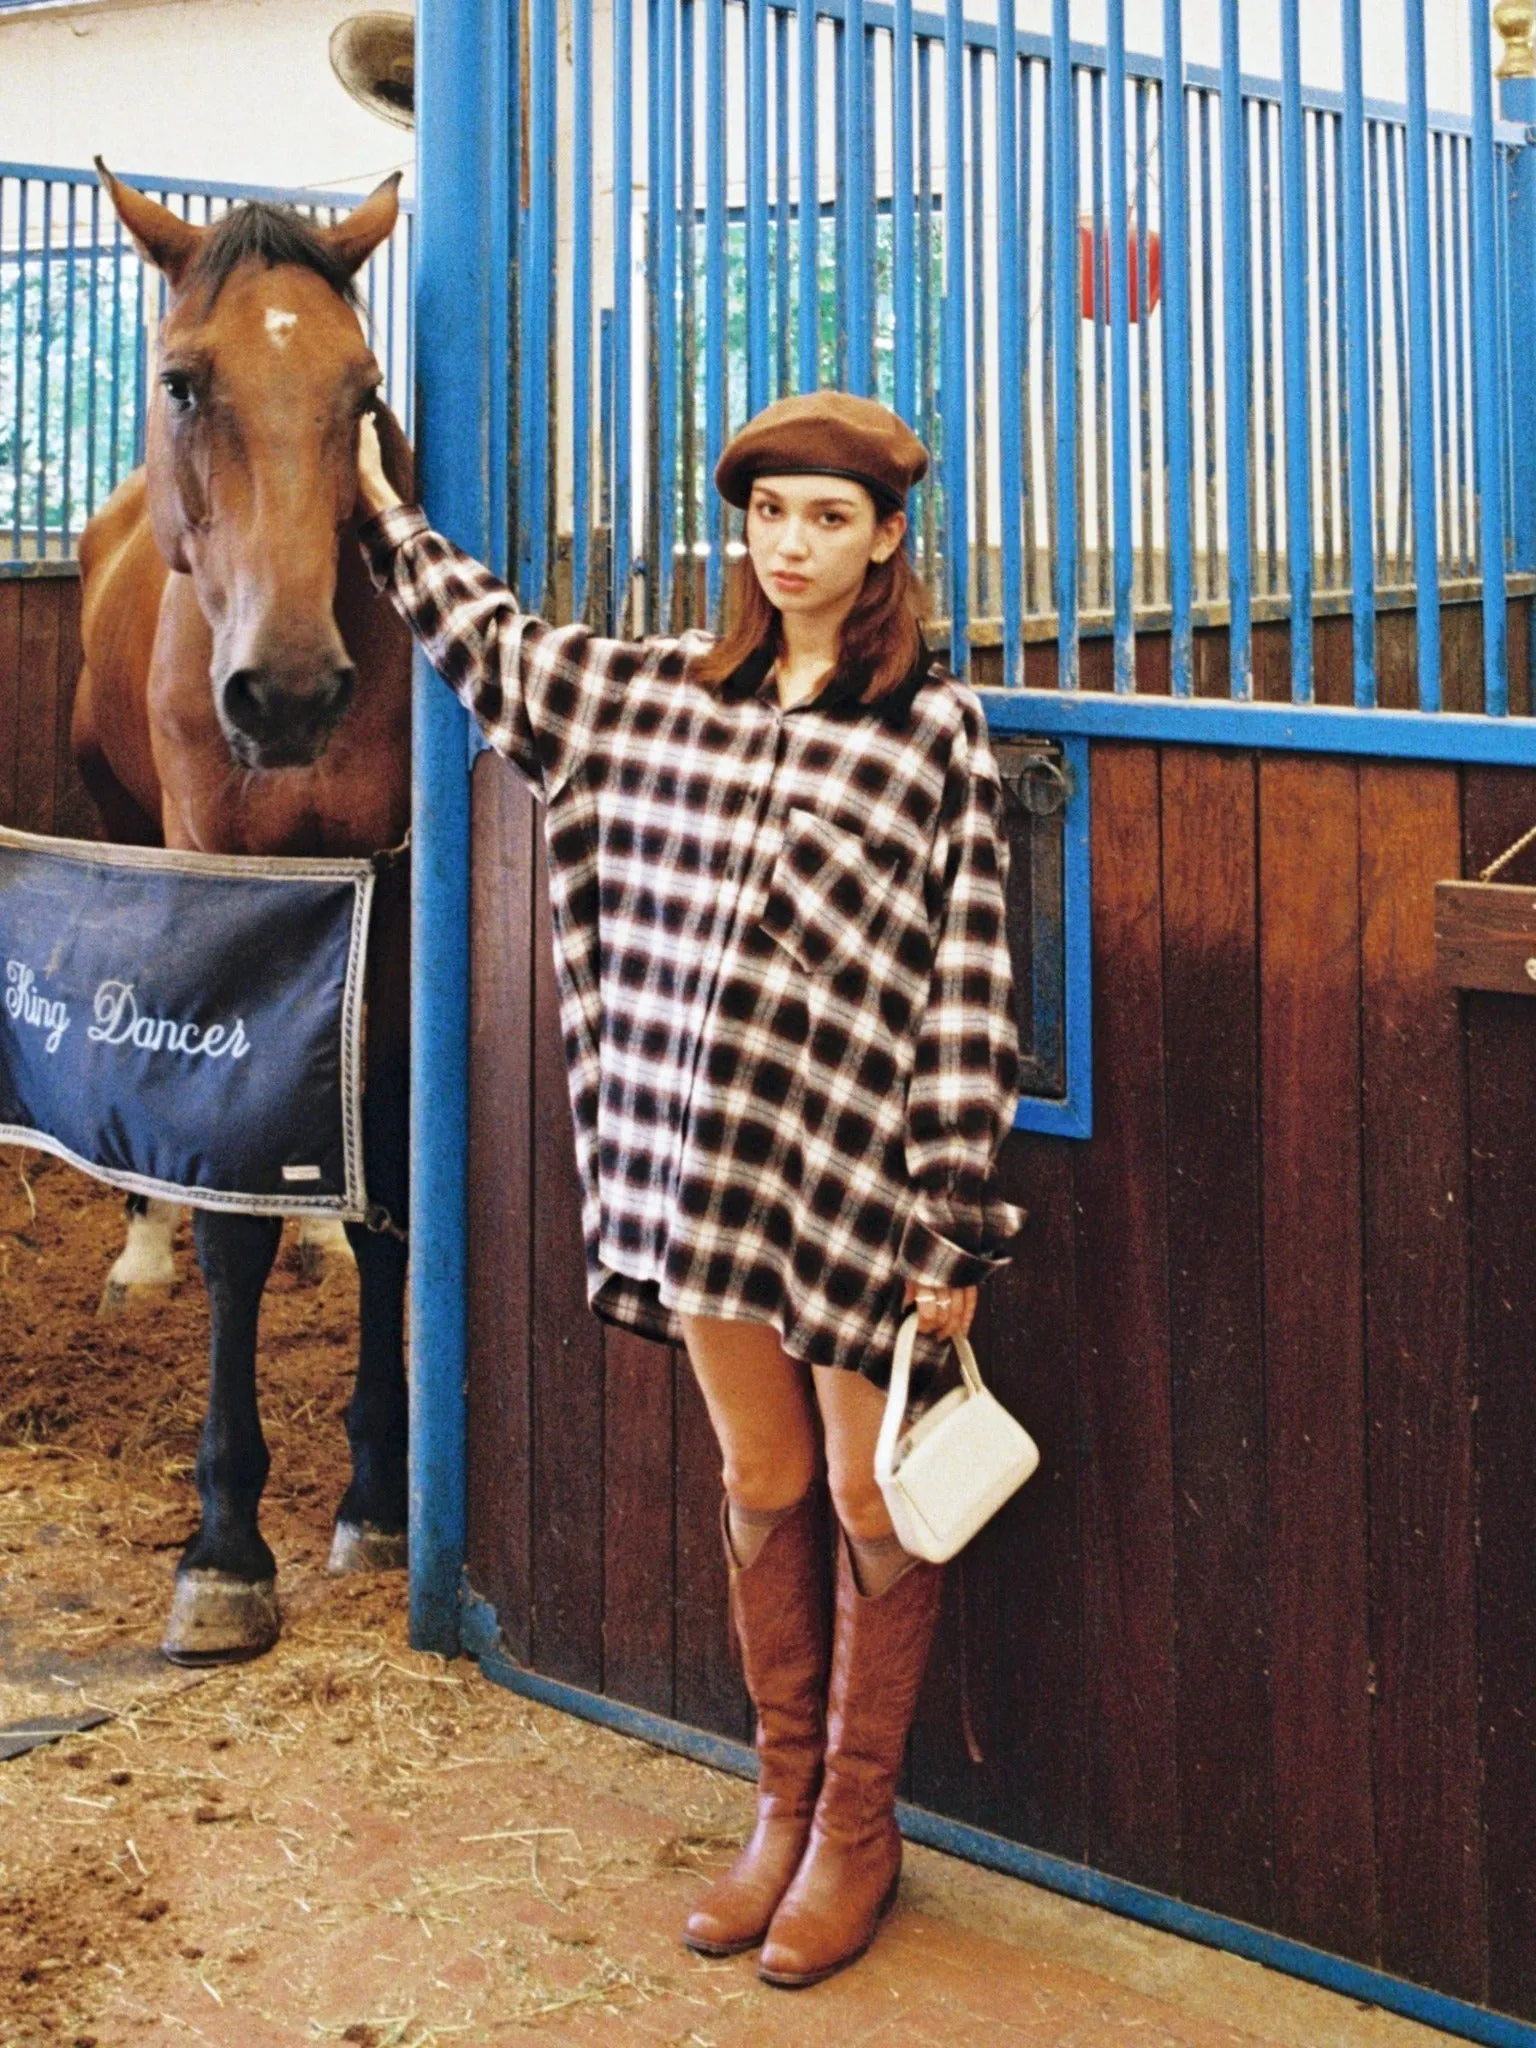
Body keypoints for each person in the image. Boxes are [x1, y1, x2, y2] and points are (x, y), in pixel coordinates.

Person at [354, 389, 1023, 1988]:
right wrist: (381, 517)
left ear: (886, 543)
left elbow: (968, 981)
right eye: (768, 514)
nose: (789, 546)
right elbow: (496, 649)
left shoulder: (934, 729)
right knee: (763, 1478)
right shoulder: (656, 696)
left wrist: (952, 1215)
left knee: (870, 1495)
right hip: (701, 1172)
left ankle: (862, 1829)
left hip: (861, 1180)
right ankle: (781, 1805)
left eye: (827, 520)